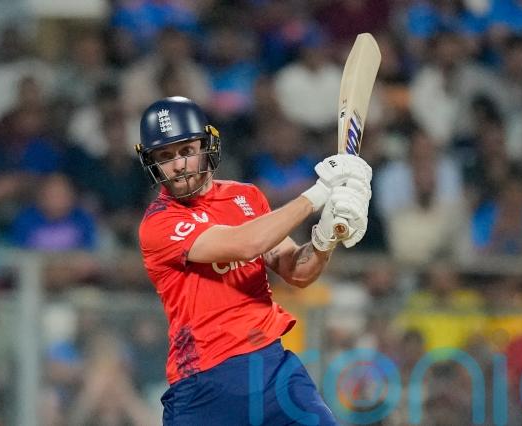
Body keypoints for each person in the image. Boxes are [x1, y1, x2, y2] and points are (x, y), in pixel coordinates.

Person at [136, 96, 372, 425]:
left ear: (206, 145)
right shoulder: (159, 223)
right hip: (205, 385)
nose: (178, 165)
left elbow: (298, 271)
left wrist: (325, 237)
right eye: (165, 156)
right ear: (152, 162)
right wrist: (319, 193)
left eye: (187, 150)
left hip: (273, 369)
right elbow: (248, 244)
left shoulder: (245, 197)